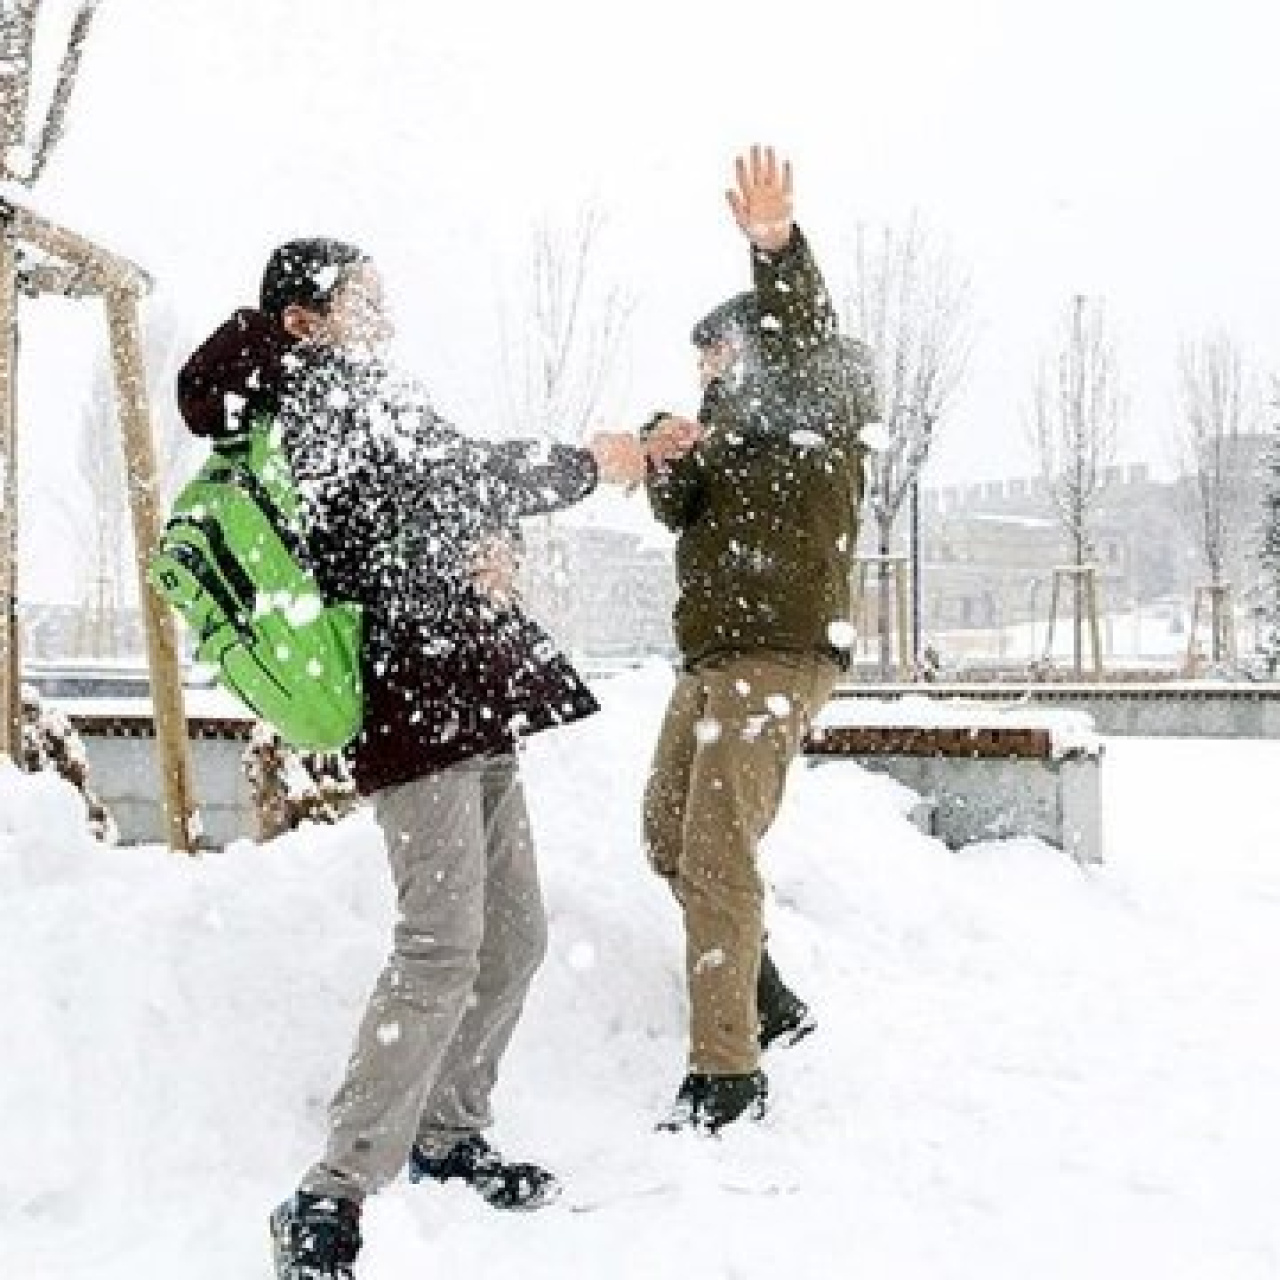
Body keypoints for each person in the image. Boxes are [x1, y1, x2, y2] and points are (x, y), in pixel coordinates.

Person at [176, 238, 698, 1279]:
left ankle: (449, 1134)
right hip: (406, 703)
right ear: (304, 319)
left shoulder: (370, 389)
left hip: (467, 689)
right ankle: (329, 1191)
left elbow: (443, 490)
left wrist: (498, 531)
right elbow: (443, 477)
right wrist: (590, 464)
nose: (385, 311)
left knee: (513, 934)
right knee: (440, 944)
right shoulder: (312, 396)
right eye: (363, 296)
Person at [641, 147, 876, 1132]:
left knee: (715, 850)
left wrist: (774, 246)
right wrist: (663, 453)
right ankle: (763, 993)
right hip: (712, 658)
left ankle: (726, 1072)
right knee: (666, 833)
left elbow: (801, 327)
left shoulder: (815, 398)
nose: (706, 372)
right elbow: (678, 511)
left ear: (755, 346)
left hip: (776, 654)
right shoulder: (725, 435)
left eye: (716, 355)